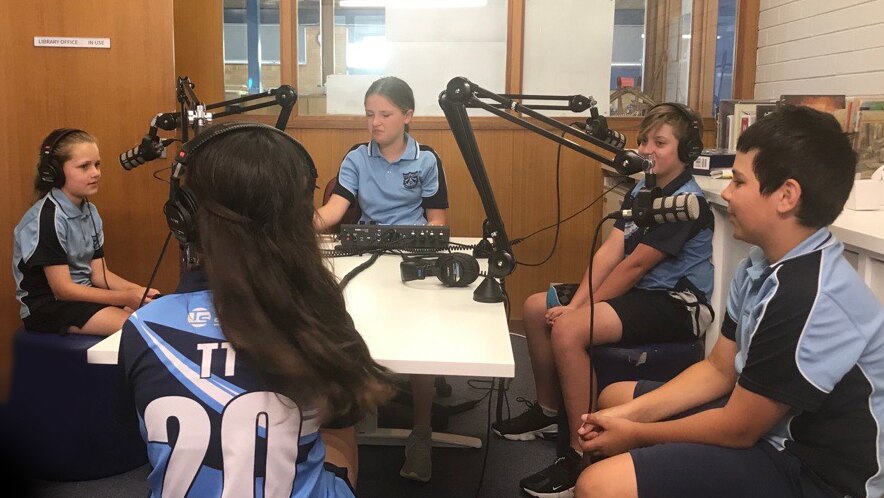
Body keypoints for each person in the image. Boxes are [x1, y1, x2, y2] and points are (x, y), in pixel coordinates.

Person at [575, 105, 884, 498]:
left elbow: (739, 429)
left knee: (597, 485)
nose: (727, 194)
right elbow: (719, 371)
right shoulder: (760, 266)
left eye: (738, 182)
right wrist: (623, 418)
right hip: (773, 432)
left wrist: (636, 432)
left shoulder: (808, 296)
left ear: (786, 196)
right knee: (612, 399)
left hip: (814, 474)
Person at [119, 122, 394, 497]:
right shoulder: (319, 315)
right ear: (300, 216)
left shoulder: (144, 327)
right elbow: (342, 413)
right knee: (338, 428)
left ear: (184, 216)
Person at [492, 104, 715, 497]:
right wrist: (576, 302)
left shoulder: (685, 202)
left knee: (568, 329)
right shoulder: (641, 189)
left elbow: (634, 267)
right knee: (533, 307)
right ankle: (547, 412)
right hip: (641, 292)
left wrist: (576, 313)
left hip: (677, 303)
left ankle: (582, 454)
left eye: (660, 143)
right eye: (644, 140)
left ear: (687, 150)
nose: (647, 149)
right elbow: (610, 253)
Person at [314, 76, 448, 482]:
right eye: (370, 114)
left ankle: (420, 431)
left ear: (408, 116)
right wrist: (294, 228)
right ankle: (350, 419)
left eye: (385, 114)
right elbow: (334, 212)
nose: (375, 123)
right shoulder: (357, 157)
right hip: (366, 255)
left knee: (420, 337)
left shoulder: (426, 160)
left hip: (411, 257)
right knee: (345, 323)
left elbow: (437, 222)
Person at [12, 128, 159, 337]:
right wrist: (127, 298)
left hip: (81, 298)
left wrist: (145, 293)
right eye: (84, 167)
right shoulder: (46, 219)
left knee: (152, 314)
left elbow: (100, 275)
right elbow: (63, 290)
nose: (95, 172)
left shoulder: (90, 212)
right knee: (140, 328)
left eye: (97, 164)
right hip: (49, 307)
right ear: (56, 172)